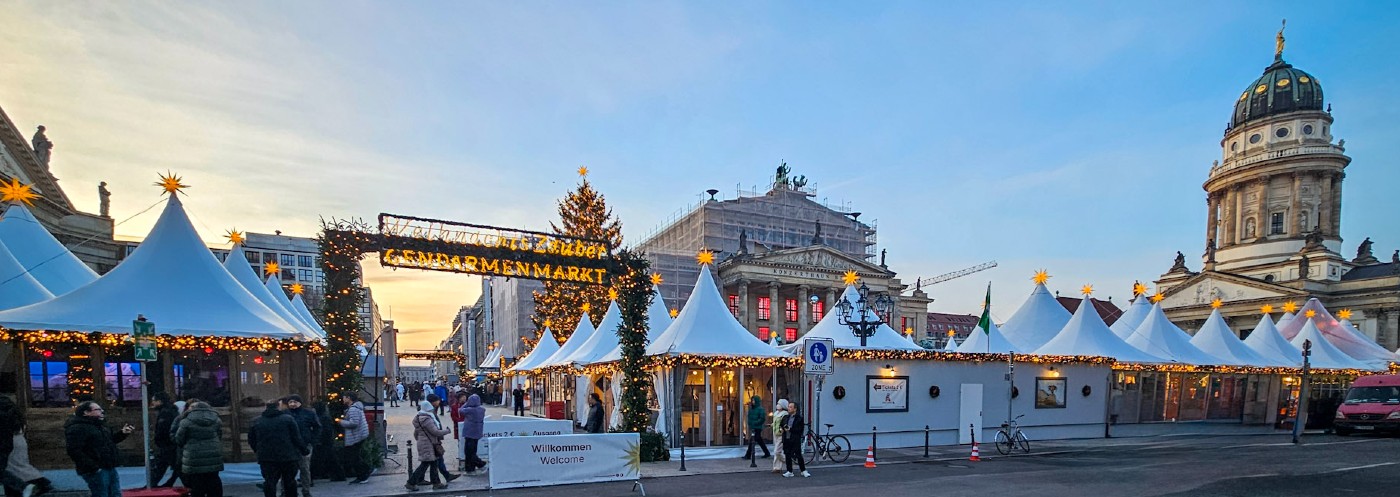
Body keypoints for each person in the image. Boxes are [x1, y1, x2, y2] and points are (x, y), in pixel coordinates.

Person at [64, 401, 134, 497]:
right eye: (98, 409)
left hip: (109, 466)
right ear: (86, 412)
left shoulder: (100, 426)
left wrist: (122, 434)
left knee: (115, 494)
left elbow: (109, 441)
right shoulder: (77, 428)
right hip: (96, 469)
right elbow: (74, 450)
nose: (102, 411)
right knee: (101, 494)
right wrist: (93, 467)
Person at [249, 400, 307, 497]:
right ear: (278, 406)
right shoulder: (288, 419)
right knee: (289, 482)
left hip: (266, 457)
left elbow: (251, 439)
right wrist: (303, 450)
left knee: (270, 481)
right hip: (288, 456)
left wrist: (257, 450)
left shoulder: (257, 421)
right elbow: (296, 437)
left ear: (266, 407)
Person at [174, 402, 224, 497]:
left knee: (196, 482)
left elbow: (179, 439)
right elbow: (219, 435)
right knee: (213, 479)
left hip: (193, 455)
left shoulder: (186, 421)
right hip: (213, 454)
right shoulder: (216, 420)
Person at [405, 397, 452, 491]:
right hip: (429, 444)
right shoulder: (427, 419)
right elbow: (435, 432)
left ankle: (436, 483)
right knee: (425, 464)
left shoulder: (419, 418)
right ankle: (411, 482)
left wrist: (421, 440)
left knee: (433, 463)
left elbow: (416, 434)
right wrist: (447, 431)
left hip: (424, 443)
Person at [284, 395, 320, 497]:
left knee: (304, 468)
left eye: (295, 402)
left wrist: (312, 441)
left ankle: (306, 490)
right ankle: (286, 491)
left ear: (300, 403)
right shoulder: (285, 414)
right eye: (290, 402)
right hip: (289, 446)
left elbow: (317, 427)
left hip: (305, 445)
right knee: (287, 470)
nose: (292, 404)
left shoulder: (308, 413)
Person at [337, 393, 371, 484]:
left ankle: (363, 474)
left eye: (344, 397)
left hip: (356, 436)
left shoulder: (353, 409)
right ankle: (364, 472)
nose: (343, 399)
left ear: (349, 398)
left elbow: (354, 423)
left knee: (353, 457)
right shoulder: (355, 408)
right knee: (355, 456)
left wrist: (341, 422)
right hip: (359, 435)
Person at [149, 392, 181, 487]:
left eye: (154, 401)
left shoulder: (165, 413)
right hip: (170, 443)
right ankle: (162, 483)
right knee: (174, 466)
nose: (152, 403)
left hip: (167, 444)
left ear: (160, 401)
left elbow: (163, 429)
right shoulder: (171, 410)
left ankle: (153, 484)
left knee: (162, 465)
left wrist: (158, 440)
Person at [310, 400, 344, 482]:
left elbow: (324, 431)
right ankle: (338, 475)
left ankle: (311, 476)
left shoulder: (322, 418)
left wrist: (319, 440)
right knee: (331, 459)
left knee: (318, 459)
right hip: (326, 442)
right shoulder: (324, 417)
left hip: (323, 442)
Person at [458, 393, 486, 474]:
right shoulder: (482, 410)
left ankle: (481, 464)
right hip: (477, 433)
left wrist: (466, 403)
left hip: (469, 433)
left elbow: (460, 410)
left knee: (469, 452)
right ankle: (470, 469)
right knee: (472, 451)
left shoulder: (469, 410)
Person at [781, 402, 809, 478]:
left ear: (795, 409)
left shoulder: (799, 418)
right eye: (788, 407)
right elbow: (782, 424)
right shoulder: (785, 417)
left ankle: (803, 470)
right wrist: (782, 429)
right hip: (786, 438)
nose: (789, 408)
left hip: (795, 439)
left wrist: (790, 429)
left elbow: (800, 430)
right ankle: (789, 471)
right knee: (787, 455)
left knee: (798, 455)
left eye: (790, 407)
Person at [743, 395, 770, 460]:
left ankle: (748, 455)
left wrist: (755, 423)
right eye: (752, 400)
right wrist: (750, 423)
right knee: (759, 440)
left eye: (753, 400)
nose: (752, 402)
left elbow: (762, 418)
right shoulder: (751, 409)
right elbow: (750, 417)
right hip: (753, 427)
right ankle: (767, 453)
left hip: (758, 427)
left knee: (752, 441)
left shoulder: (760, 409)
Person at [770, 399, 789, 473]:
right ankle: (777, 467)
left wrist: (782, 429)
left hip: (781, 434)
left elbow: (784, 423)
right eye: (778, 404)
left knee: (777, 451)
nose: (777, 405)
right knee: (777, 450)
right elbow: (775, 422)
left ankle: (787, 460)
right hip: (775, 433)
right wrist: (772, 425)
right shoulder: (776, 413)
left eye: (779, 404)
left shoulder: (785, 414)